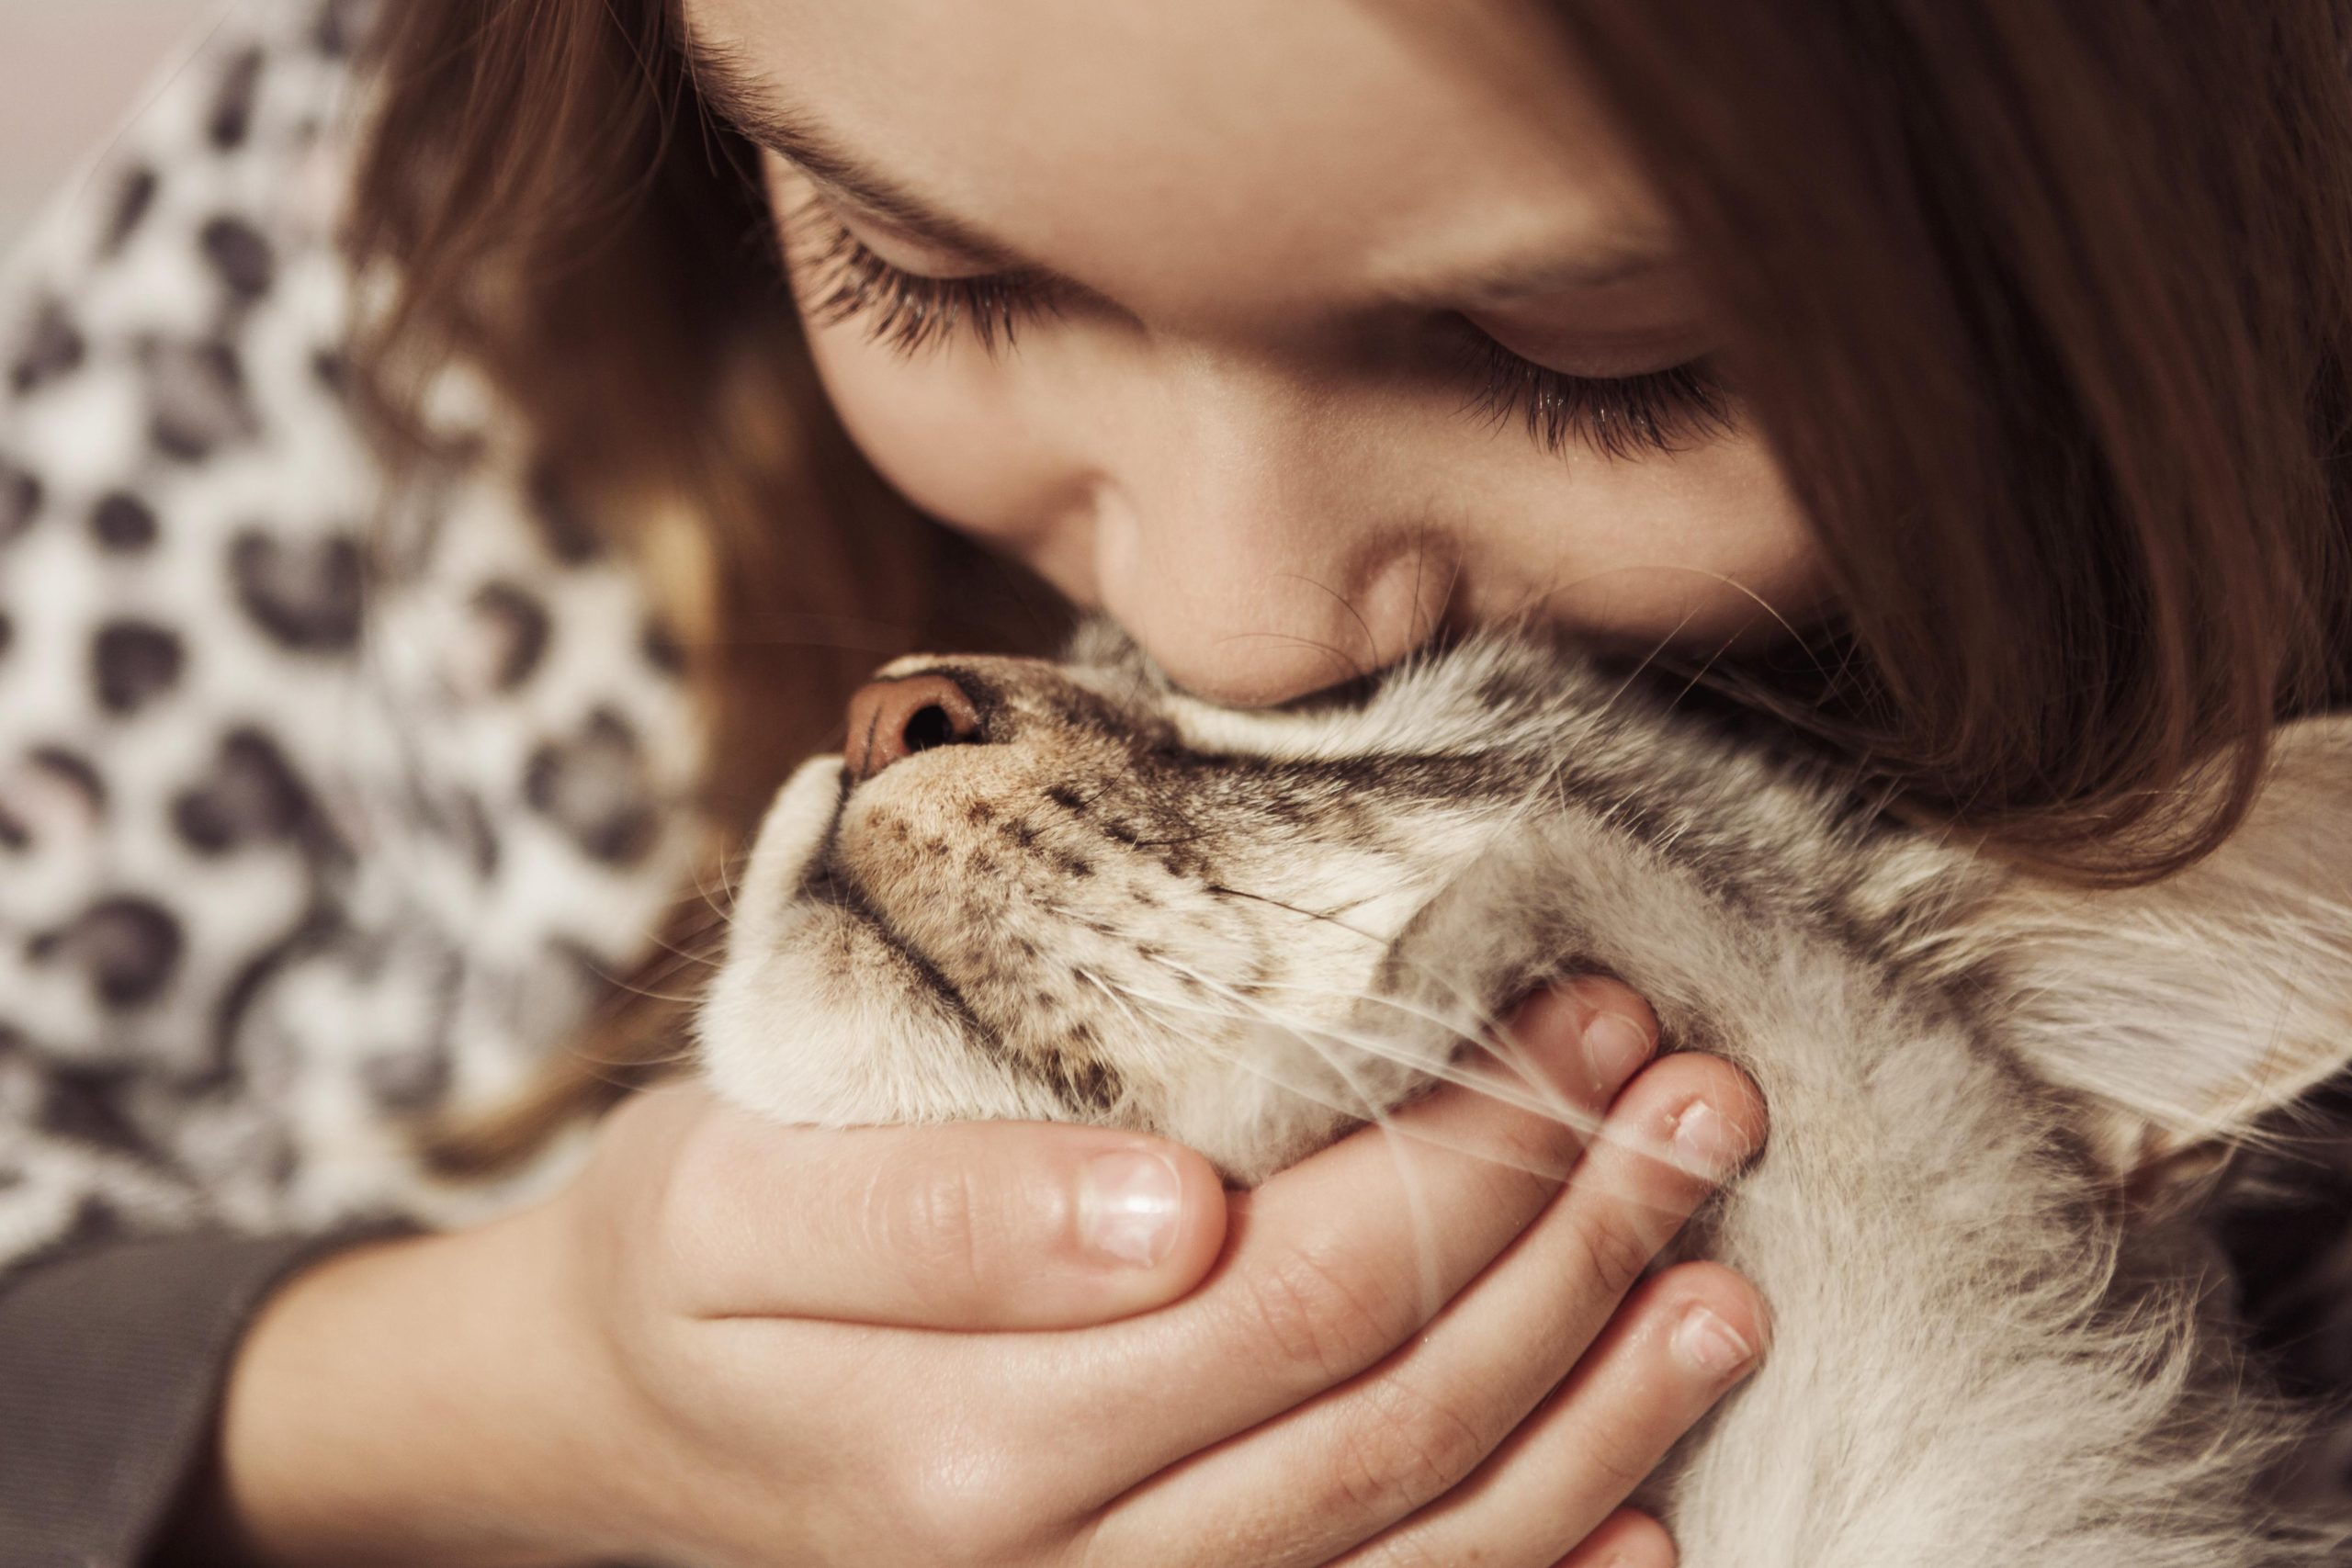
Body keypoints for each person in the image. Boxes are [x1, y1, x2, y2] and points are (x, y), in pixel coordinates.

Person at [0, 0, 2345, 1563]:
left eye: (1602, 361)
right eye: (916, 263)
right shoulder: (320, 258)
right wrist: (507, 1387)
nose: (1219, 620)